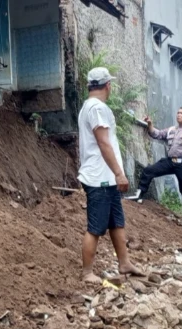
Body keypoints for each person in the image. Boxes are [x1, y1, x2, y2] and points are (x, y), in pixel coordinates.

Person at [77, 67, 145, 284]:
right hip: (101, 178)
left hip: (106, 177)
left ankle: (124, 262)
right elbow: (103, 142)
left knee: (117, 222)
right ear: (108, 86)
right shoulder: (97, 108)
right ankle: (87, 272)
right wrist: (118, 173)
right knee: (95, 227)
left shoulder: (90, 107)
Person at [127, 107, 182, 226]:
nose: (178, 115)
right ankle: (139, 194)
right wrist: (150, 124)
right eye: (178, 112)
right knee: (149, 170)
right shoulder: (171, 130)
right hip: (170, 162)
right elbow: (157, 134)